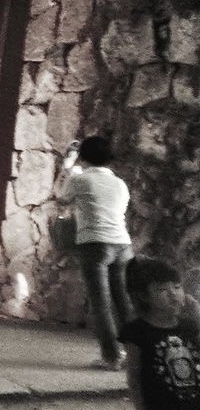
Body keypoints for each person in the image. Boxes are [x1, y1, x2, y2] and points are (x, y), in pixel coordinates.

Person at [55, 134, 133, 370]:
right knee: (124, 303)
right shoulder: (120, 183)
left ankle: (111, 357)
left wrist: (67, 166)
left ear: (83, 157)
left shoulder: (81, 180)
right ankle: (137, 354)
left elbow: (61, 199)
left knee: (101, 303)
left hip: (95, 244)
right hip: (123, 244)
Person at [119, 256, 200, 410]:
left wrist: (198, 317)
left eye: (177, 287)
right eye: (162, 289)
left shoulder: (190, 325)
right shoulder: (137, 332)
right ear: (143, 296)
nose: (173, 294)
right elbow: (134, 378)